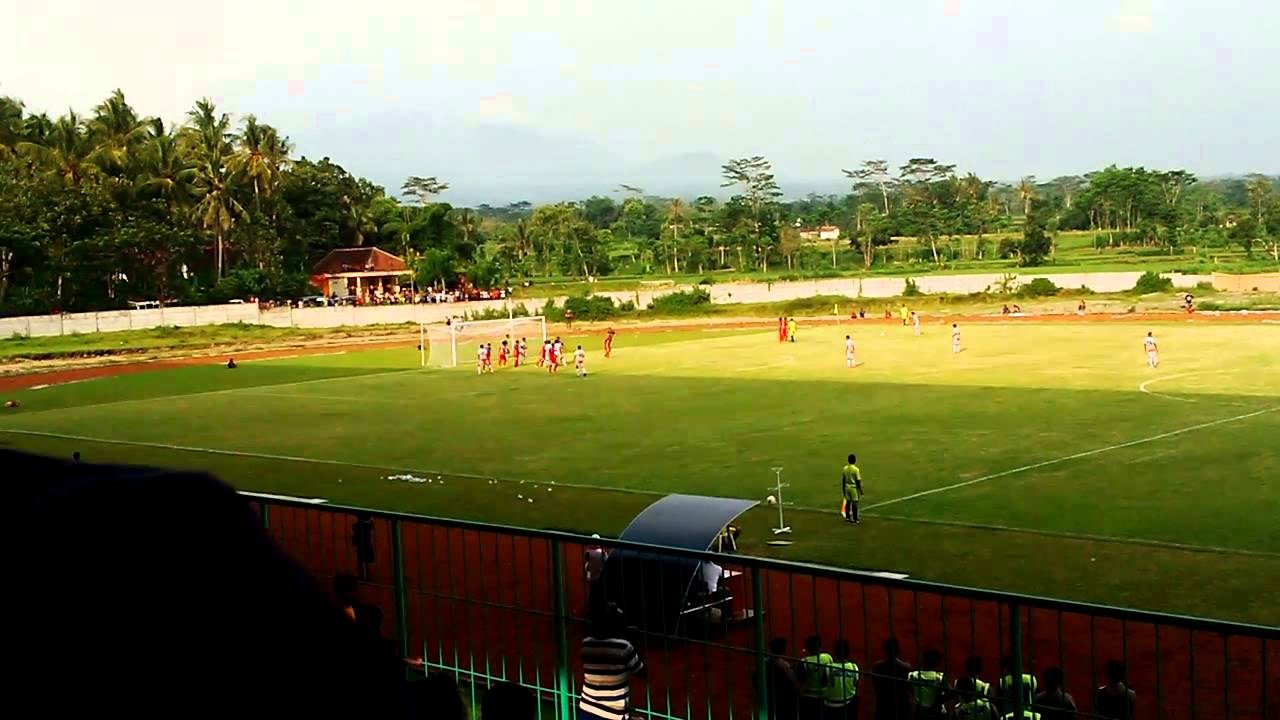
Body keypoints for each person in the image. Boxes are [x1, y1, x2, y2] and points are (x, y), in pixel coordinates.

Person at [578, 603, 645, 720]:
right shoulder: (623, 647)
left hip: (587, 708)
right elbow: (642, 671)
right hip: (614, 714)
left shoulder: (586, 644)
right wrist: (635, 643)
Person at [761, 638, 802, 720]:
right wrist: (799, 693)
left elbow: (755, 678)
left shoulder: (764, 662)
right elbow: (793, 681)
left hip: (769, 696)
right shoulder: (783, 665)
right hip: (782, 698)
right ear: (783, 650)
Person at [872, 638, 912, 720]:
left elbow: (876, 686)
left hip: (884, 705)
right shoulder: (905, 667)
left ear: (884, 651)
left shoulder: (878, 667)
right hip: (900, 705)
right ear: (898, 651)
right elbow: (908, 687)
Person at [799, 635, 834, 719]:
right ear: (820, 646)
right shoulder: (828, 657)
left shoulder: (804, 661)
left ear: (807, 647)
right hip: (825, 695)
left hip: (809, 697)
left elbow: (800, 680)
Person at [823, 639, 860, 720]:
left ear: (834, 652)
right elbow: (856, 685)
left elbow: (823, 684)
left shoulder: (828, 667)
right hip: (848, 704)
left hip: (830, 706)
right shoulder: (854, 667)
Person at [907, 648, 947, 719]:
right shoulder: (940, 677)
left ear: (924, 660)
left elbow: (909, 691)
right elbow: (949, 693)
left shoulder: (912, 675)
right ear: (937, 662)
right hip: (934, 713)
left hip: (918, 712)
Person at [841, 454, 863, 524]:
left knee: (848, 503)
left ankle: (847, 517)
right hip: (853, 488)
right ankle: (855, 518)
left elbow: (843, 480)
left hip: (847, 487)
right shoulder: (856, 469)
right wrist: (861, 490)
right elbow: (858, 480)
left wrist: (843, 489)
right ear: (855, 460)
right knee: (854, 503)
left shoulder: (845, 468)